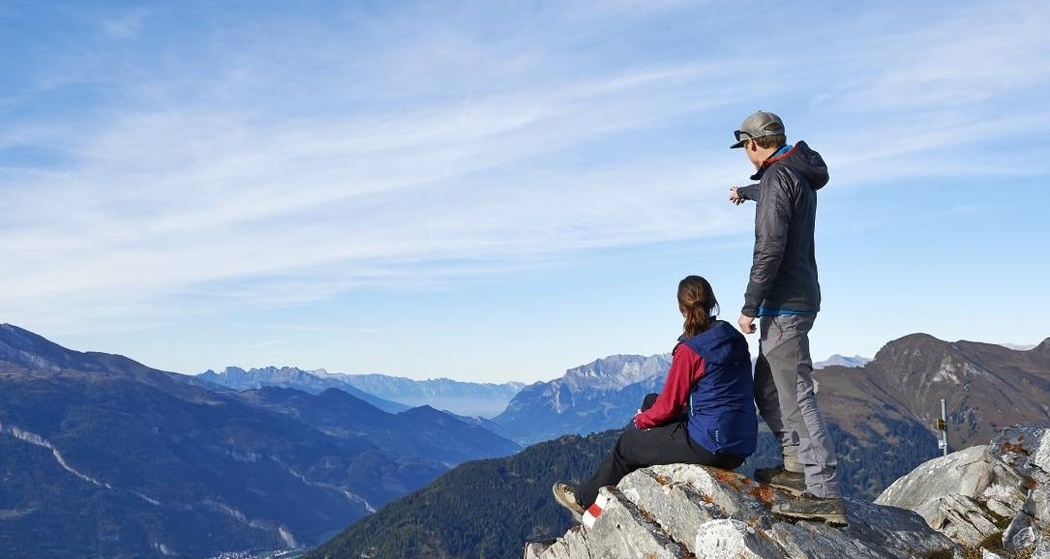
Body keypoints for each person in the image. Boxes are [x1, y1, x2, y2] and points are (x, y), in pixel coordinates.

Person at [552, 275, 757, 520]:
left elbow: (669, 407)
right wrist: (650, 413)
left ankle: (585, 502)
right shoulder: (732, 337)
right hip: (740, 440)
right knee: (651, 400)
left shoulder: (690, 350)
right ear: (713, 301)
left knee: (628, 444)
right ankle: (632, 478)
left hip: (711, 445)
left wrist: (641, 422)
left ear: (681, 308)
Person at [728, 110, 846, 526]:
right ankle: (796, 466)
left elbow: (769, 248)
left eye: (745, 146)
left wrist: (749, 304)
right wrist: (746, 191)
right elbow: (777, 194)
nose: (745, 153)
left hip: (783, 305)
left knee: (795, 395)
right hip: (797, 298)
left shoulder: (778, 179)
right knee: (769, 389)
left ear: (753, 144)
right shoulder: (792, 174)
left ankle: (823, 492)